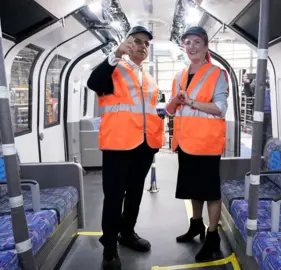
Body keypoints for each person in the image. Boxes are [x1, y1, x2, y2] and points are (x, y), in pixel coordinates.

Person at [87, 25, 164, 270]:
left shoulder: (148, 78)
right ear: (127, 43)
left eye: (146, 44)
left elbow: (149, 112)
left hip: (143, 146)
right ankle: (109, 245)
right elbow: (93, 82)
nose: (142, 46)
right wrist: (116, 54)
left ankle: (127, 234)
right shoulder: (114, 68)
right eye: (137, 41)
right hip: (118, 145)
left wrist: (153, 143)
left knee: (135, 195)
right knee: (113, 197)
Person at [165, 26, 229, 262]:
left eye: (196, 42)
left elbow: (220, 108)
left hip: (207, 143)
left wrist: (191, 101)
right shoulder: (179, 76)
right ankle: (196, 225)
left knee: (210, 192)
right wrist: (175, 100)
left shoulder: (217, 74)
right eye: (187, 42)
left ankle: (212, 236)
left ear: (205, 46)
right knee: (194, 189)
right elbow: (170, 111)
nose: (191, 47)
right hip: (185, 143)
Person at [243, 73, 272, 152]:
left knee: (270, 138)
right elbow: (248, 94)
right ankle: (259, 158)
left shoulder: (273, 80)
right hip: (258, 113)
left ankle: (267, 156)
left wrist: (269, 84)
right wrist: (246, 83)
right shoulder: (256, 81)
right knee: (259, 137)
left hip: (272, 115)